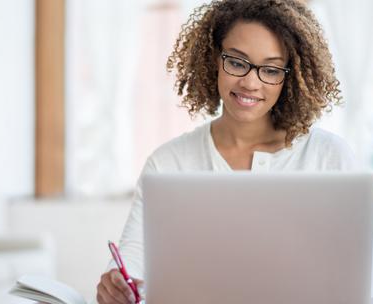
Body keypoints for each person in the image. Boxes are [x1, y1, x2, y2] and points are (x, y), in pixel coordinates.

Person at [96, 0, 356, 303]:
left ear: (290, 77)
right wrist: (116, 282)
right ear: (213, 60)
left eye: (271, 70)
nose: (249, 82)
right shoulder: (169, 163)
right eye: (236, 62)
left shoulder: (329, 156)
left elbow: (352, 268)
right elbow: (134, 255)